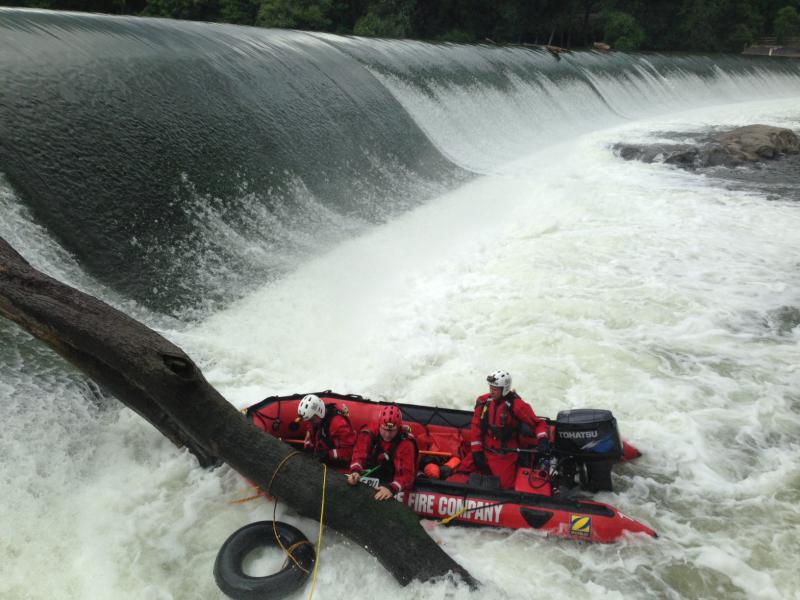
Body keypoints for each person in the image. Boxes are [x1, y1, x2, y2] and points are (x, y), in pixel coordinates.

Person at [464, 370, 549, 489]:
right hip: (484, 449)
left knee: (505, 486)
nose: (491, 391)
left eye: (495, 389)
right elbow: (476, 427)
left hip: (504, 453)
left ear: (504, 389)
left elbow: (538, 423)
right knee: (461, 472)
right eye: (491, 387)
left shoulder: (517, 406)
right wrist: (477, 451)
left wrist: (542, 439)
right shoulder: (483, 402)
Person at [346, 404, 418, 501]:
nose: (388, 434)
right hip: (375, 469)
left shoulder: (405, 443)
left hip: (393, 475)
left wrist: (392, 489)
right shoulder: (368, 433)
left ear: (399, 428)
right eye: (385, 429)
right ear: (379, 424)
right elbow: (359, 454)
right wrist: (355, 471)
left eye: (392, 431)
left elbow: (406, 476)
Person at [297, 394, 356, 466]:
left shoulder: (338, 424)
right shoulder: (315, 420)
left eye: (311, 420)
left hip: (336, 462)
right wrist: (308, 446)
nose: (310, 422)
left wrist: (328, 455)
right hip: (320, 452)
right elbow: (310, 430)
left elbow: (350, 451)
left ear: (319, 413)